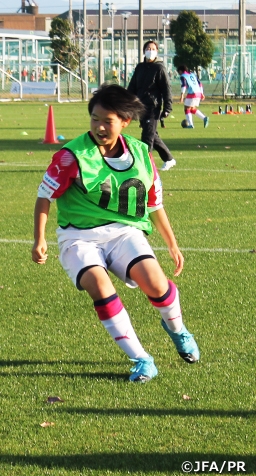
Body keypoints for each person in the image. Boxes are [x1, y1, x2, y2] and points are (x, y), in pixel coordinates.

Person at [32, 84, 199, 383]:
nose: (99, 127)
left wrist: (172, 244)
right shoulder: (72, 156)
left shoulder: (141, 154)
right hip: (78, 237)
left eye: (107, 121)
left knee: (157, 285)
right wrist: (39, 239)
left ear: (125, 122)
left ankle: (178, 331)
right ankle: (142, 359)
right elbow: (44, 196)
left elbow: (154, 204)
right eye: (94, 119)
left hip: (124, 233)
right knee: (99, 285)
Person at [127, 40, 177, 172]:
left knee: (147, 137)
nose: (150, 51)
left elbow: (166, 89)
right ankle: (169, 159)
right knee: (152, 134)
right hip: (140, 106)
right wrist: (126, 101)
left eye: (153, 49)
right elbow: (132, 86)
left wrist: (167, 107)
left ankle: (144, 165)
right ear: (144, 51)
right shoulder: (140, 68)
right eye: (148, 48)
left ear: (157, 52)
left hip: (153, 108)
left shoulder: (159, 68)